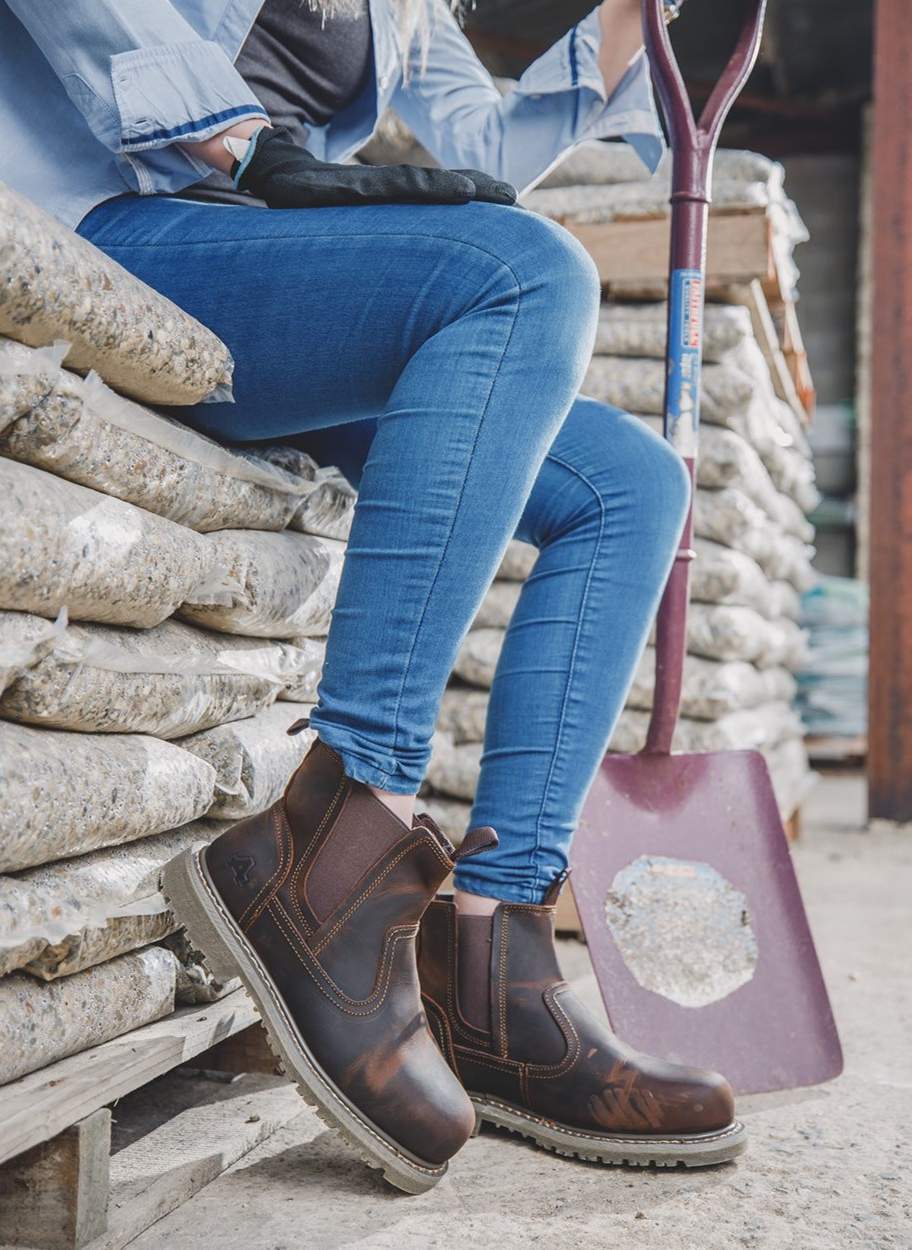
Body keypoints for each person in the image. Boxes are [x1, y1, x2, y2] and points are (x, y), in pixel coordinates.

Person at [3, 0, 745, 1193]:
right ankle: (335, 844)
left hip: (263, 277)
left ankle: (496, 968)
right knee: (523, 273)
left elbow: (480, 151)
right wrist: (237, 140)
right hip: (114, 222)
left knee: (630, 483)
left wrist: (623, 22)